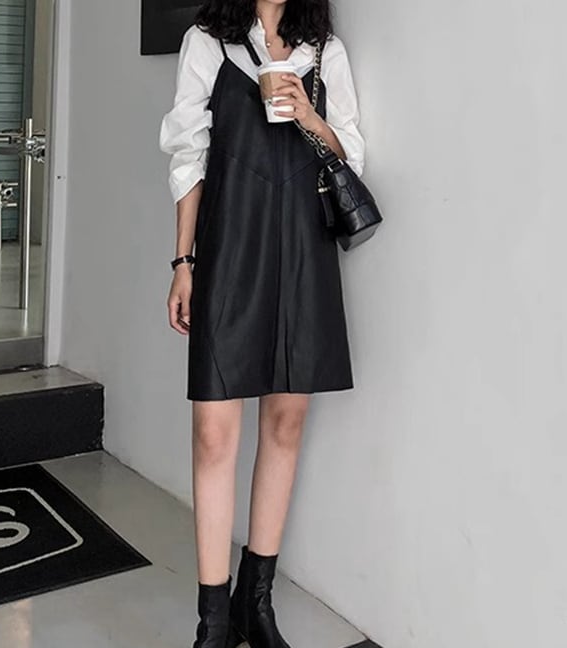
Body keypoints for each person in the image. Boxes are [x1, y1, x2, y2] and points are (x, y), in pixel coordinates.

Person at [159, 1, 364, 646]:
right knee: (213, 432)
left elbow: (352, 154)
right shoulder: (208, 42)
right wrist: (184, 262)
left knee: (285, 422)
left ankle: (255, 603)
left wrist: (307, 113)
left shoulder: (324, 51)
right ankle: (214, 623)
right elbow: (188, 156)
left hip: (303, 248)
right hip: (229, 246)